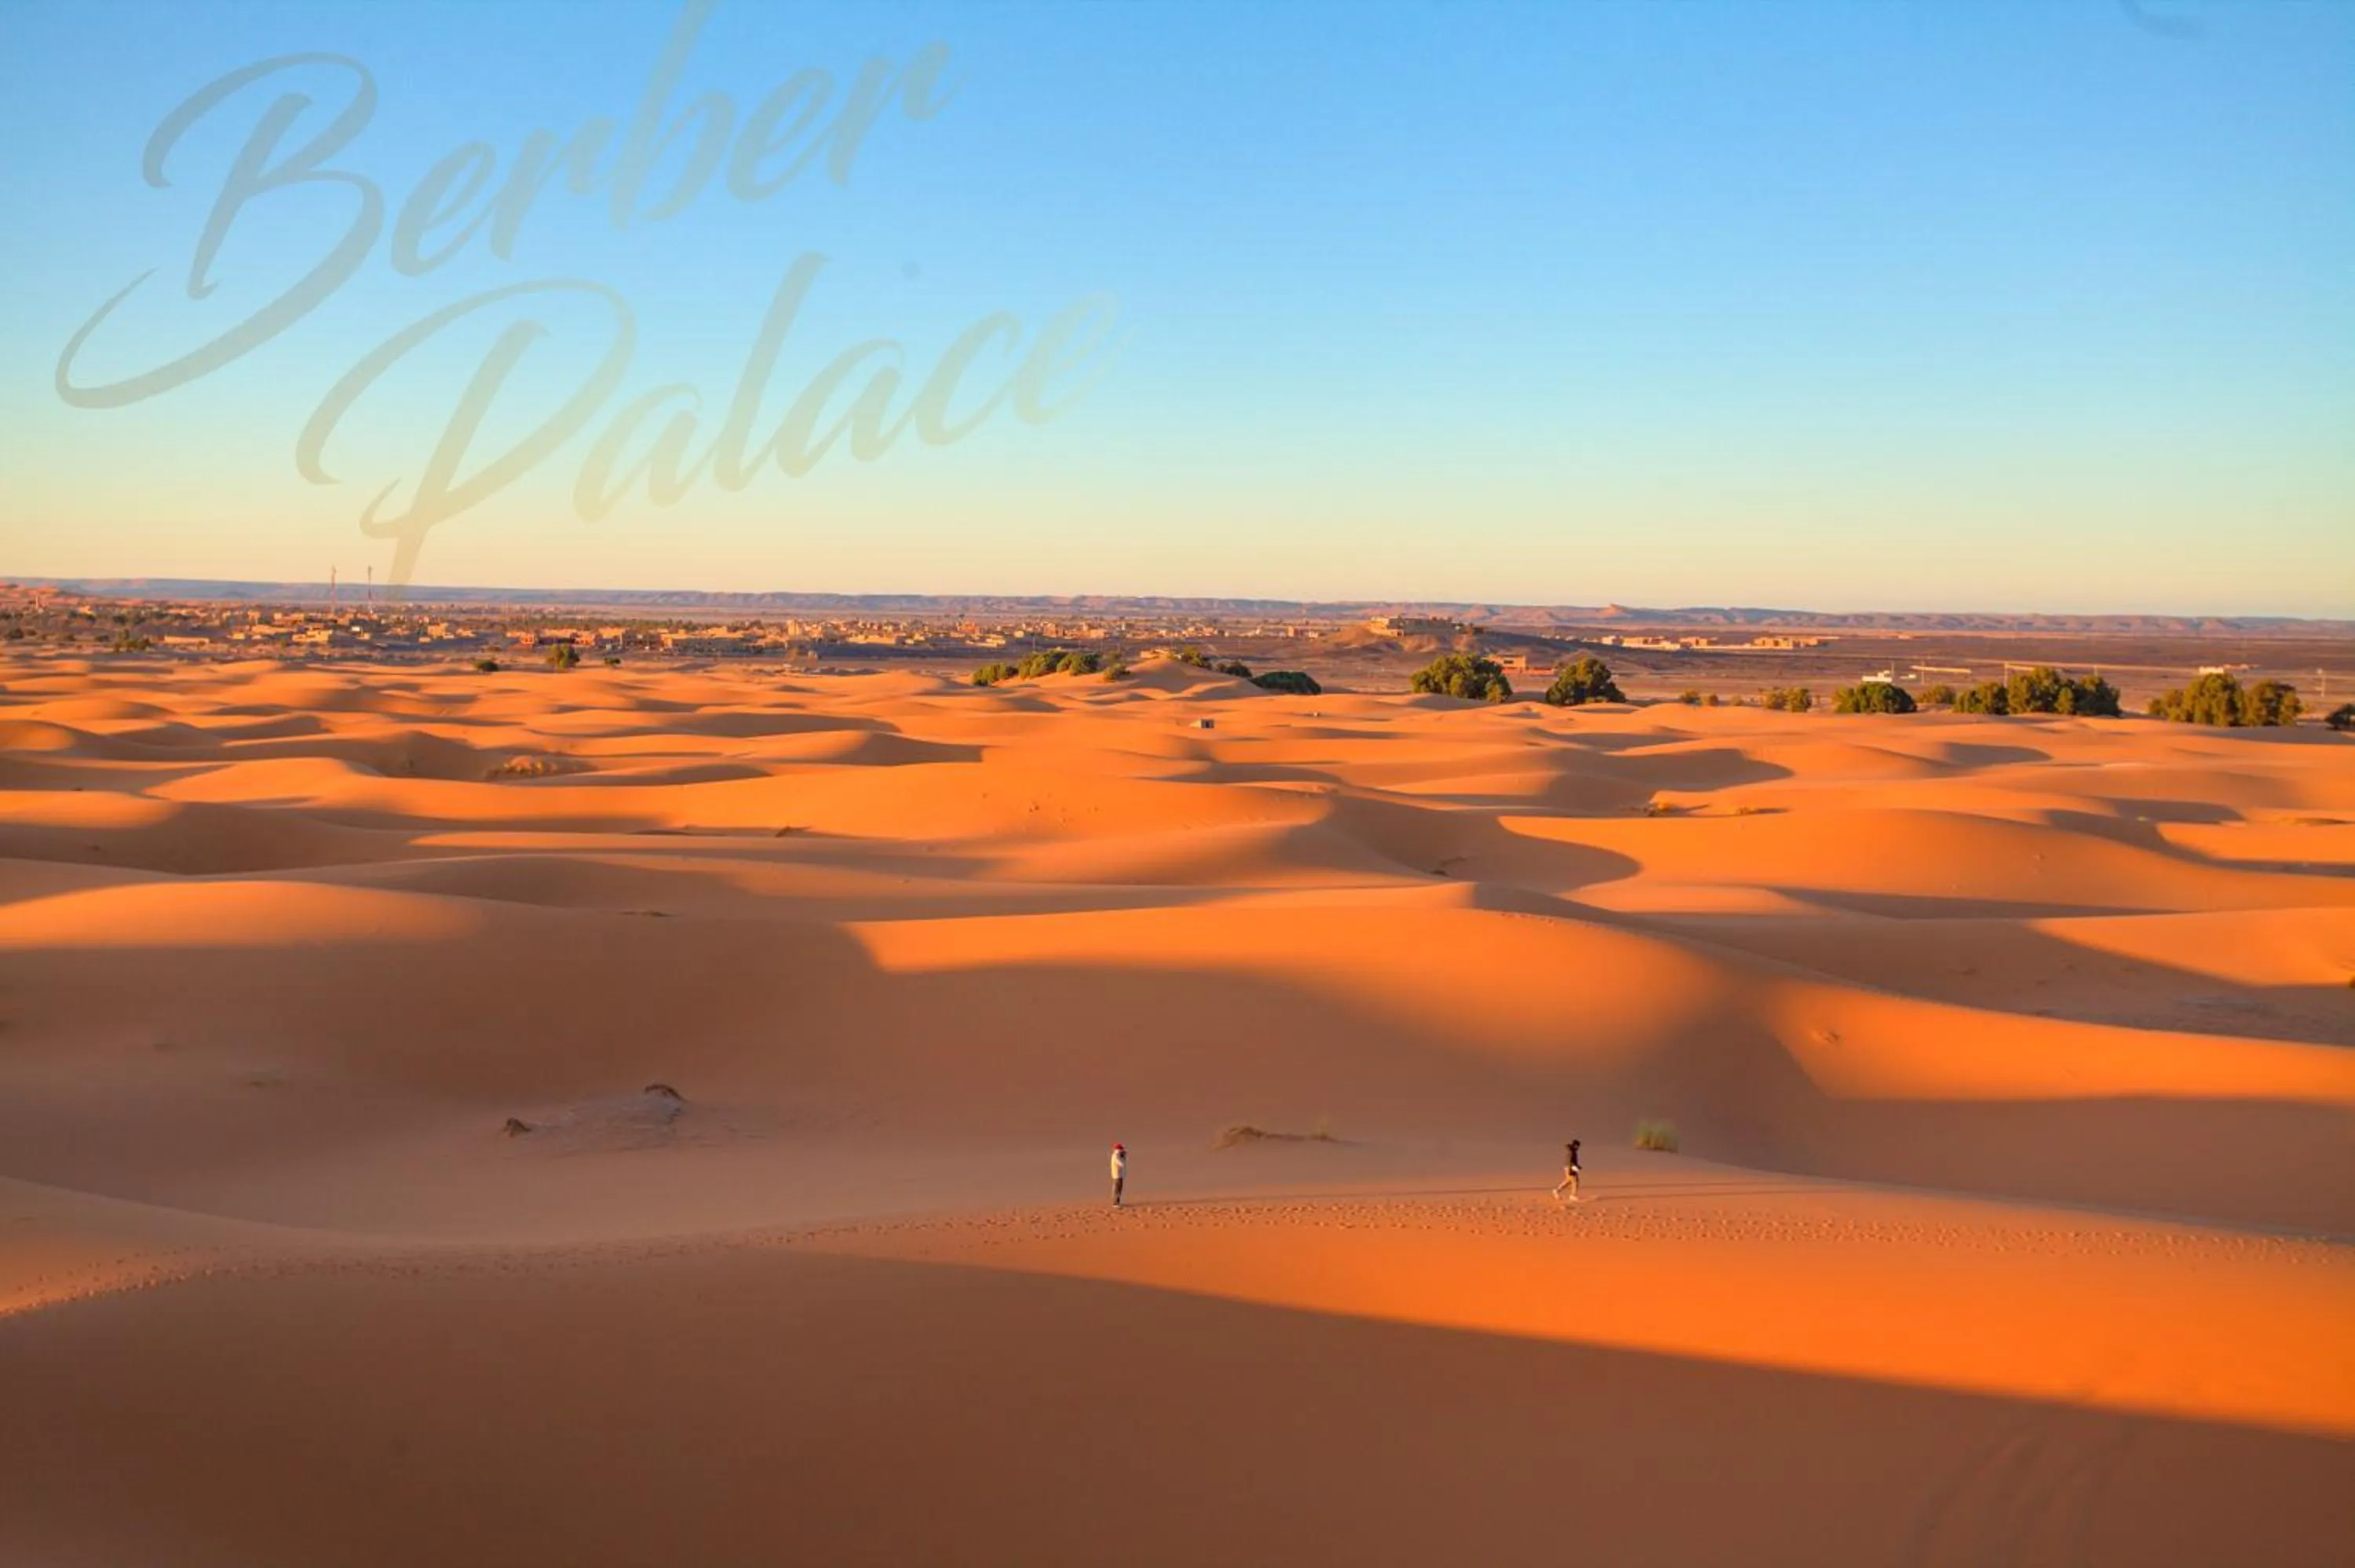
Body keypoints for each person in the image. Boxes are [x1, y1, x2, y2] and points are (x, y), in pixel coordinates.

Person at [1551, 1139, 1581, 1203]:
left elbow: (1572, 1161)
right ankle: (1573, 1195)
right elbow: (1570, 1161)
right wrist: (1574, 1168)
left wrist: (1577, 1166)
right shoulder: (1572, 1152)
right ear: (1575, 1145)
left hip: (1569, 1167)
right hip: (1570, 1167)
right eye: (1577, 1146)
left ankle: (1556, 1191)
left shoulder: (1572, 1151)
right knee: (1575, 1181)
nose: (1578, 1147)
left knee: (1568, 1181)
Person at [1110, 1141, 1127, 1208]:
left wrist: (1123, 1156)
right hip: (1116, 1175)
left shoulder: (1118, 1156)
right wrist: (1123, 1157)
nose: (1122, 1151)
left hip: (1120, 1175)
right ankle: (1115, 1203)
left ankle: (1117, 1202)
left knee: (1119, 1189)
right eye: (1121, 1150)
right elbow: (1122, 1164)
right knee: (1116, 1189)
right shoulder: (1116, 1156)